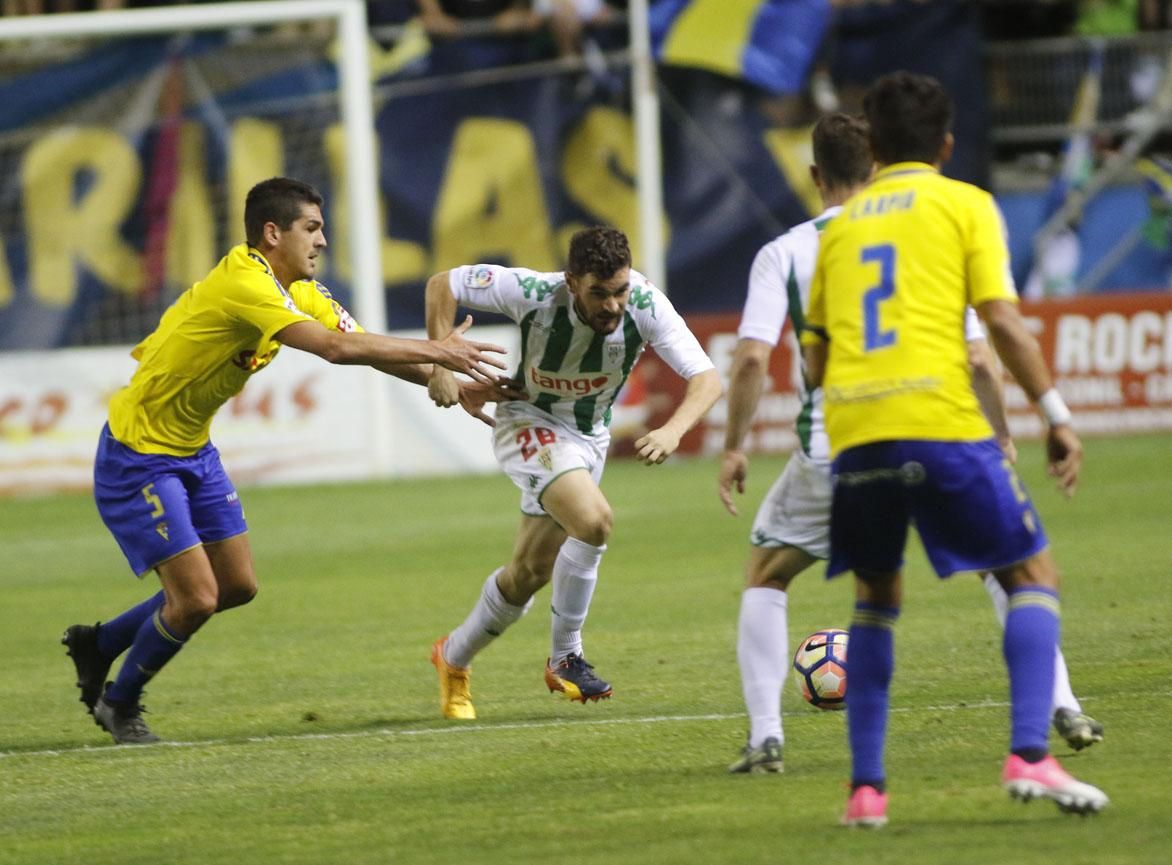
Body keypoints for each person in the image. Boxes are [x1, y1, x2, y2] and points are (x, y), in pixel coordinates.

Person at [63, 177, 511, 745]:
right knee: (196, 598)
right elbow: (335, 349)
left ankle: (98, 644)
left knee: (237, 586)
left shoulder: (299, 289)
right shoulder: (246, 282)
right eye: (312, 228)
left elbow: (363, 344)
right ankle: (118, 704)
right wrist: (440, 350)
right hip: (138, 454)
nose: (322, 241)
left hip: (192, 448)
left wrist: (448, 380)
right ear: (273, 233)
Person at [720, 115, 1103, 774]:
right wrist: (1003, 431)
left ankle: (768, 738)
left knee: (770, 574)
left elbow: (753, 358)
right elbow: (980, 358)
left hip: (836, 446)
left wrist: (734, 446)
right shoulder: (925, 231)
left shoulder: (784, 252)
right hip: (936, 432)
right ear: (876, 163)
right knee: (1010, 566)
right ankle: (1061, 703)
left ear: (814, 175)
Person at [802, 72, 1109, 825]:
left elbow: (813, 361)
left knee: (875, 601)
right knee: (1032, 571)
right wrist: (1055, 414)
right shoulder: (966, 204)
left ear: (869, 146)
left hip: (857, 439)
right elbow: (999, 325)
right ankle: (1031, 752)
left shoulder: (836, 230)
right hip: (941, 425)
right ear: (945, 143)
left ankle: (867, 792)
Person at [424, 226, 722, 719]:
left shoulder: (645, 303)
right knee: (595, 521)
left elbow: (707, 379)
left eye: (619, 290)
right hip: (530, 422)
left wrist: (673, 431)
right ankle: (566, 657)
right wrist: (439, 365)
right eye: (598, 293)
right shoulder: (535, 292)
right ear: (570, 282)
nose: (612, 305)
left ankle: (452, 658)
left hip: (588, 439)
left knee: (527, 575)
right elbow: (442, 283)